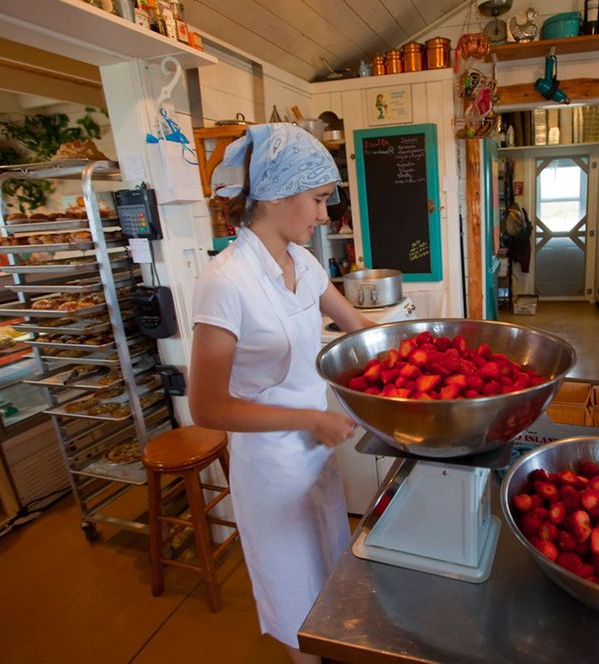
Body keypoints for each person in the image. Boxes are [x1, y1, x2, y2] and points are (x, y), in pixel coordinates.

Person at [189, 123, 374, 664]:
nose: (324, 215)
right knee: (295, 597)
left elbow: (357, 326)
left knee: (330, 575)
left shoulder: (305, 264)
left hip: (315, 455)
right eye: (317, 200)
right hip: (271, 465)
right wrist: (308, 420)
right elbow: (208, 406)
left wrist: (421, 350)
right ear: (277, 193)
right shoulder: (225, 282)